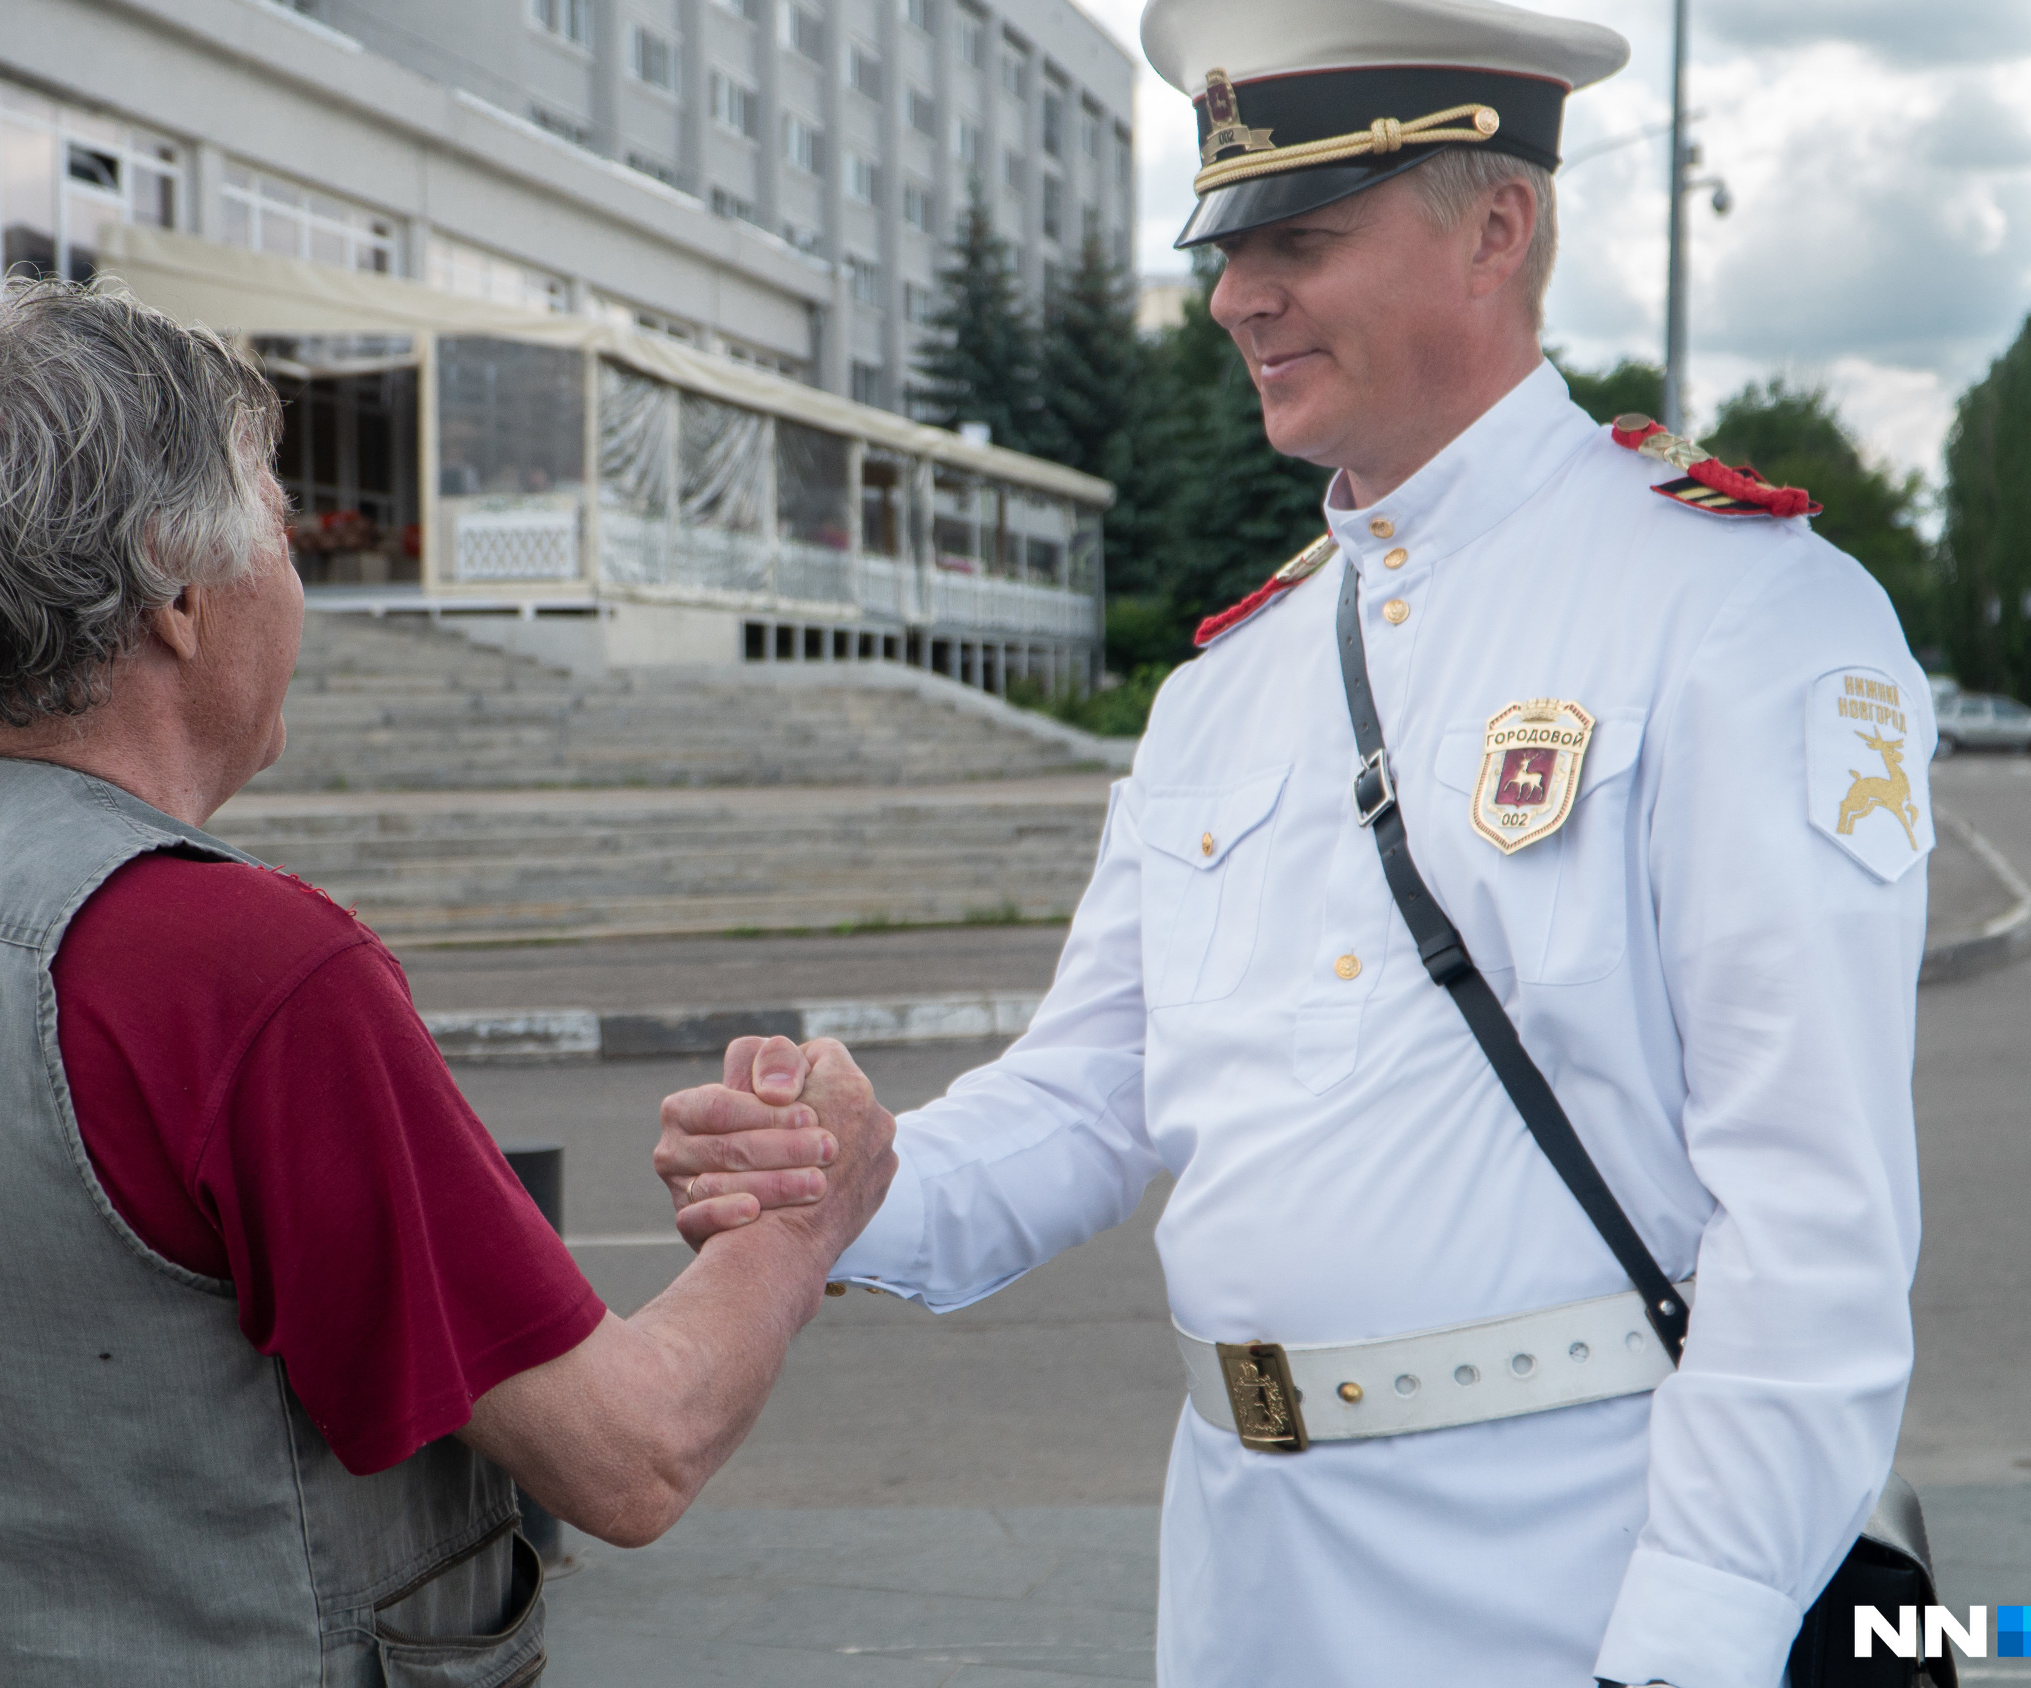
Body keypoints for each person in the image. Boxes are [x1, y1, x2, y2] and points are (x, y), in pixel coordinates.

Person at [660, 0, 1934, 1682]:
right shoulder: (1233, 684)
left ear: (1500, 225)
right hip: (1249, 1570)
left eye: (1300, 238)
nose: (1235, 296)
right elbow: (1093, 1092)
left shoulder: (1741, 613)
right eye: (1225, 242)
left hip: (1577, 1567)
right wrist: (861, 1177)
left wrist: (1692, 1636)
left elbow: (1814, 1208)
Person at [0, 280, 897, 1686]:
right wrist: (808, 1211)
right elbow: (628, 1454)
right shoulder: (239, 976)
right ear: (179, 592)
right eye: (279, 524)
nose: (298, 579)